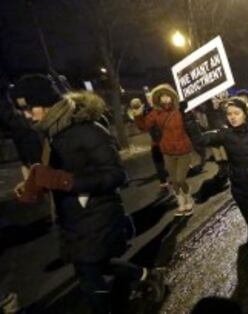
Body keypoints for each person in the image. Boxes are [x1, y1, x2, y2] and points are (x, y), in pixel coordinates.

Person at [14, 91, 164, 314]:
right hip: (72, 217)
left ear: (47, 105)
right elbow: (59, 175)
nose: (27, 114)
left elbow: (117, 175)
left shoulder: (89, 130)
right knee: (93, 266)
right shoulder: (51, 134)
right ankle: (145, 275)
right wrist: (35, 184)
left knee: (88, 273)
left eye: (30, 107)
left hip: (96, 213)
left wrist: (66, 181)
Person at [191, 97, 248, 276]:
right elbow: (200, 140)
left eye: (236, 113)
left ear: (245, 113)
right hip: (238, 188)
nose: (232, 117)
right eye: (229, 114)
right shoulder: (225, 133)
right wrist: (189, 119)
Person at [132, 84, 195, 216]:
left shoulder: (180, 110)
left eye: (168, 96)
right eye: (162, 97)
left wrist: (187, 112)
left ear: (172, 97)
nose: (165, 99)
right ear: (158, 99)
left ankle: (189, 198)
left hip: (183, 149)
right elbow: (144, 127)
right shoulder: (155, 114)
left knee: (180, 179)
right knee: (173, 180)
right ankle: (181, 203)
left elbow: (191, 125)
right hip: (167, 150)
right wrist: (138, 117)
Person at [129, 98, 168, 188]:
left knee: (159, 161)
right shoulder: (149, 109)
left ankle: (163, 181)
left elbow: (143, 127)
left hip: (157, 140)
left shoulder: (139, 114)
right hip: (163, 137)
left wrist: (137, 117)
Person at [198, 92, 229, 180]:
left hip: (221, 128)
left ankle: (227, 168)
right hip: (212, 128)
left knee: (223, 149)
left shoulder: (222, 101)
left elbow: (226, 111)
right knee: (216, 150)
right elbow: (203, 110)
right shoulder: (207, 102)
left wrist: (221, 103)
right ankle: (221, 169)